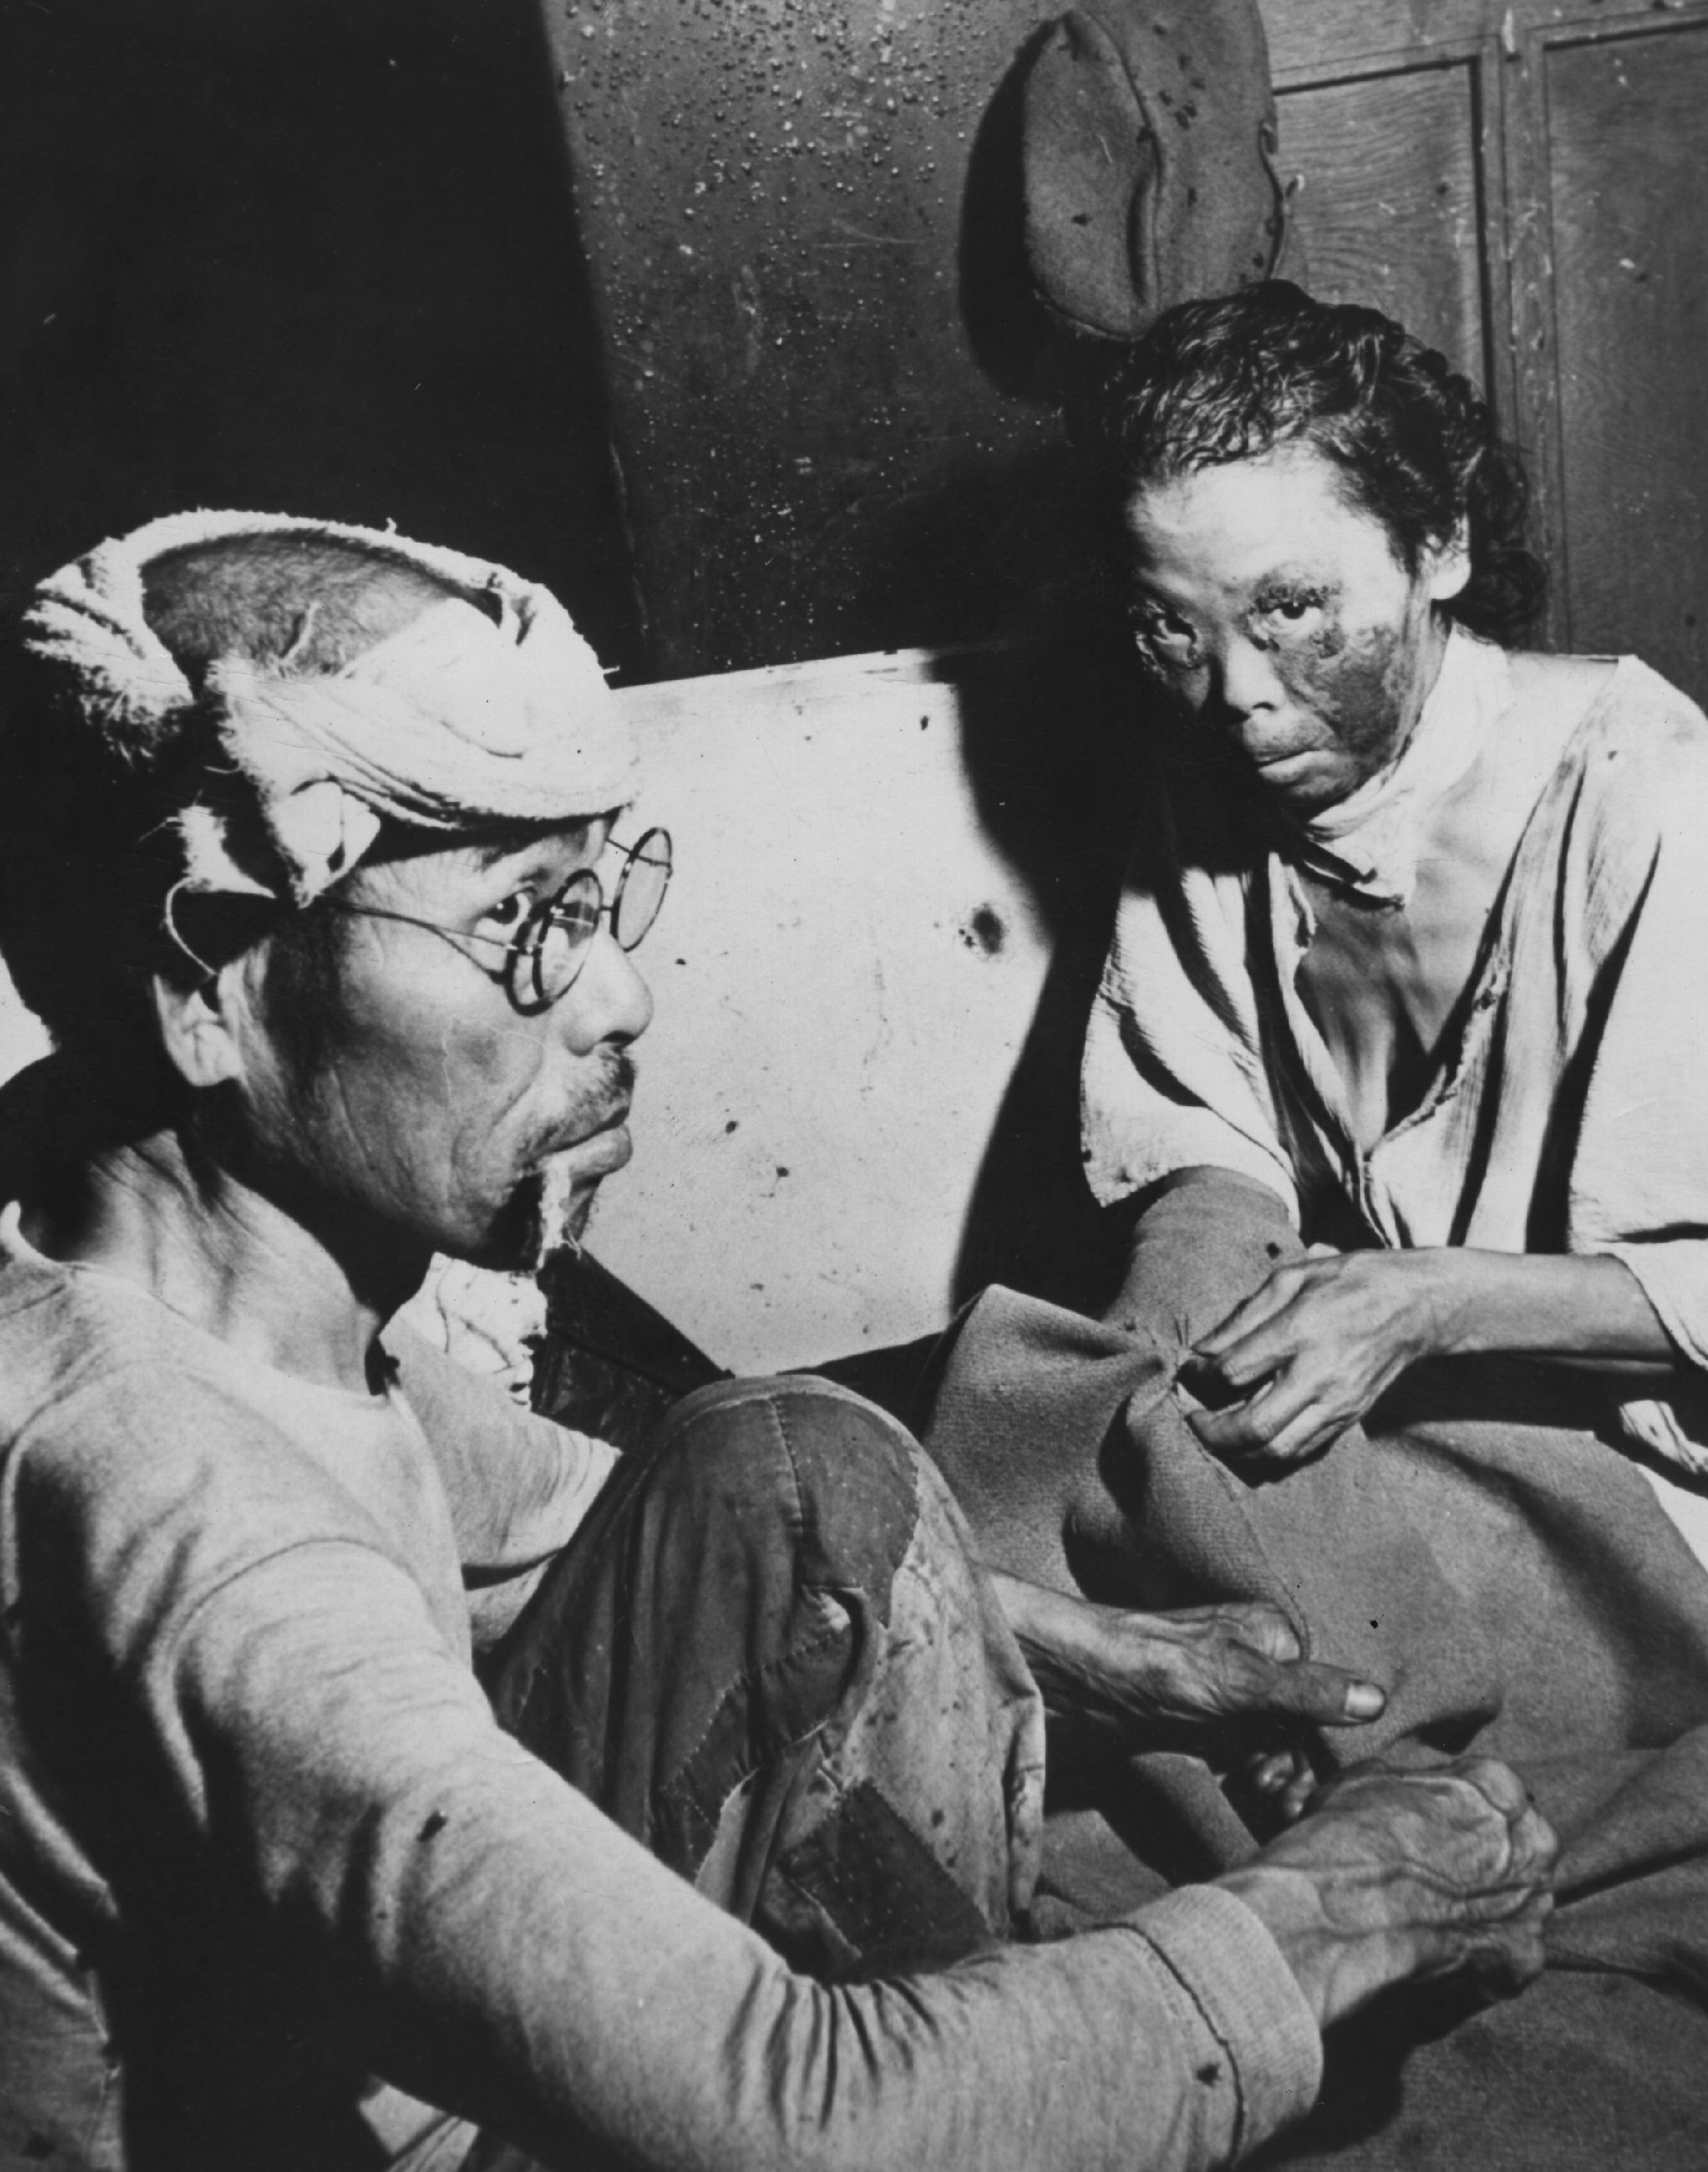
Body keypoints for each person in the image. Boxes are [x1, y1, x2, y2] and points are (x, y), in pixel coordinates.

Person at [0, 509, 1558, 2172]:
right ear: (208, 980)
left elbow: (543, 1504)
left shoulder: (152, 1255)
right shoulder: (196, 1521)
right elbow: (801, 2113)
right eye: (522, 919)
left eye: (599, 897)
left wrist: (1084, 1645)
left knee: (796, 1463)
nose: (616, 999)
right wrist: (1323, 1916)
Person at [1075, 282, 1708, 1515]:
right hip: (1441, 1443)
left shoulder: (1638, 794)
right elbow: (1200, 1140)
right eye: (1171, 631)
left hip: (1698, 1479)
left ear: (1439, 545)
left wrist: (1423, 1303)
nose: (1239, 694)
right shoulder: (1213, 780)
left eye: (1292, 608)